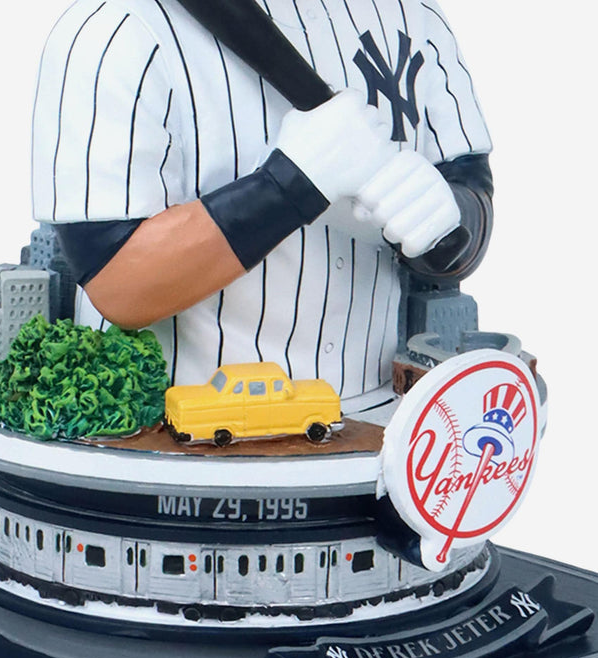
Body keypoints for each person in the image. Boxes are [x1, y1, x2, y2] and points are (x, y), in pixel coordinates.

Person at [32, 0, 492, 409]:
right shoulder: (117, 28)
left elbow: (470, 197)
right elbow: (117, 281)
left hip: (382, 416)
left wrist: (441, 215)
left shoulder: (414, 14)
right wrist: (287, 186)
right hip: (179, 434)